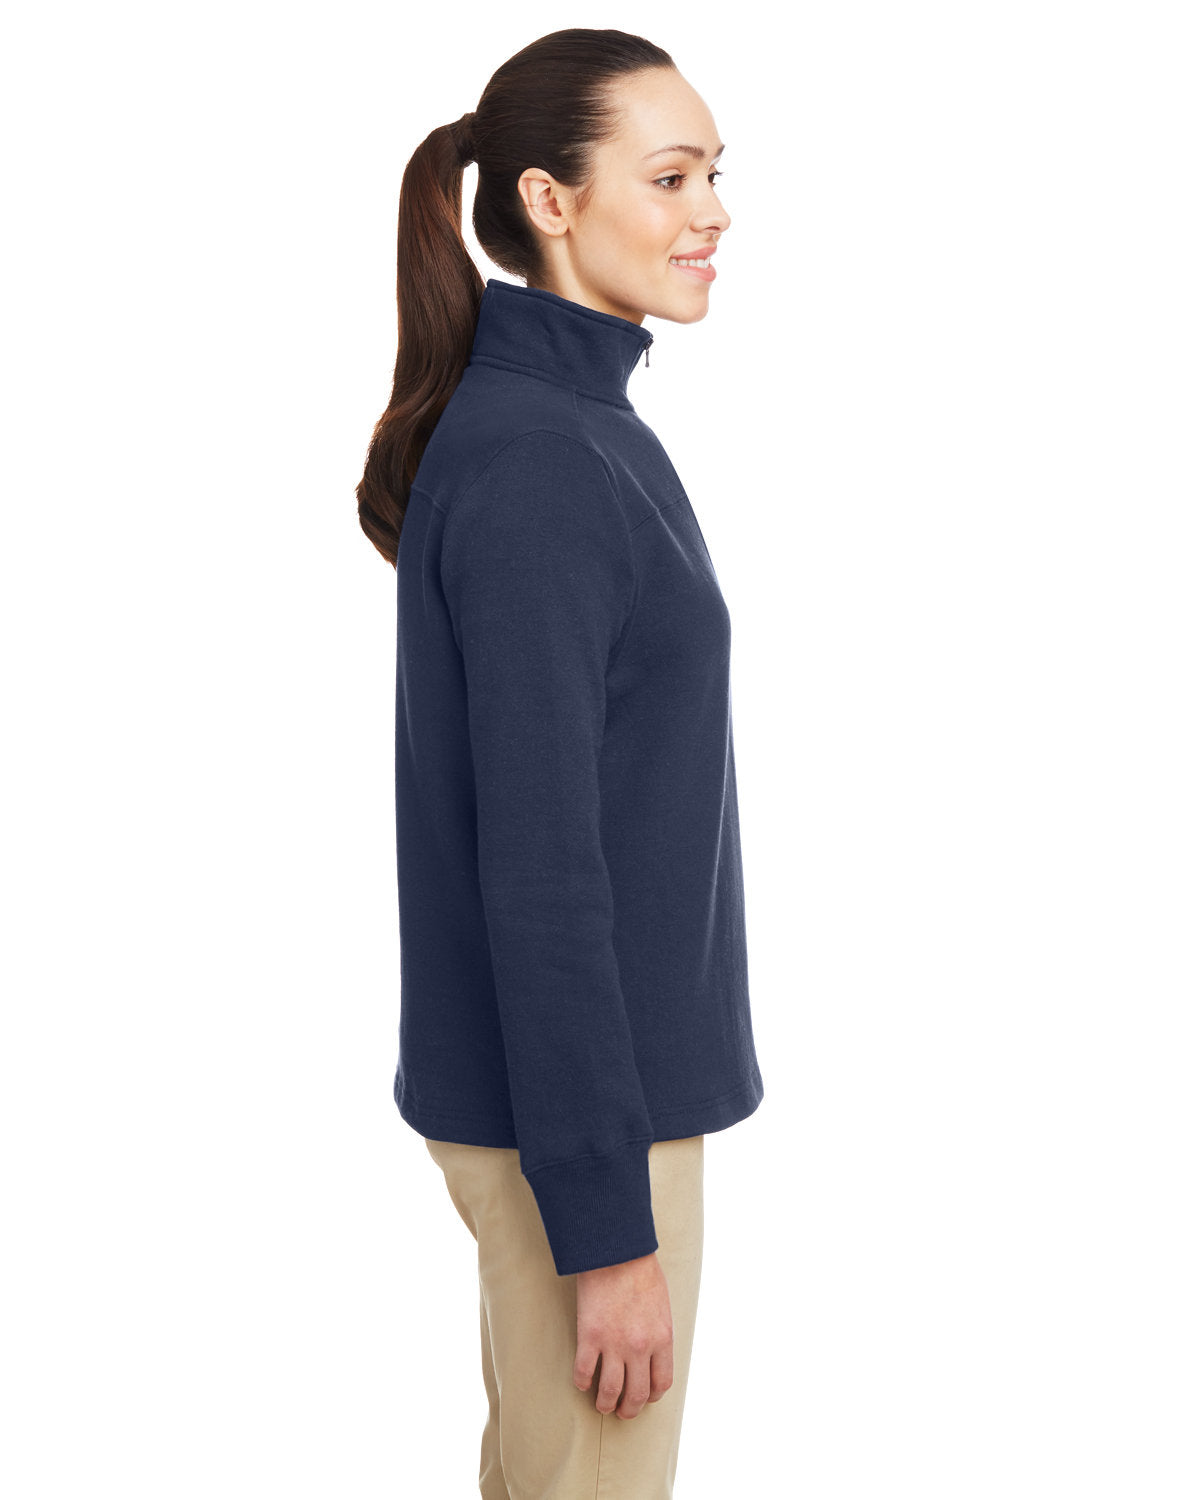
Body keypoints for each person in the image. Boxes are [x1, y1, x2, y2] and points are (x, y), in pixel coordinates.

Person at [357, 27, 765, 1499]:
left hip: (582, 1114)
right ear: (549, 198)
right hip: (588, 1131)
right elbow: (540, 874)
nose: (713, 211)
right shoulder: (543, 459)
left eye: (715, 175)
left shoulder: (575, 426)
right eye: (670, 177)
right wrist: (605, 1232)